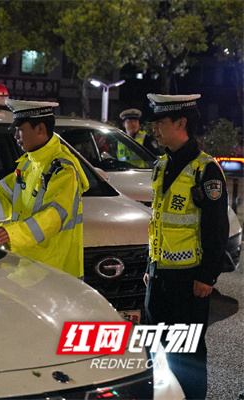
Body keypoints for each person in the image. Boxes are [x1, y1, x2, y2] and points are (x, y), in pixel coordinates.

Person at [143, 93, 229, 400]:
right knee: (156, 351)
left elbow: (217, 227)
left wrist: (207, 275)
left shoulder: (206, 169)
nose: (154, 129)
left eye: (160, 122)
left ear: (181, 123)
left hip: (189, 279)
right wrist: (151, 265)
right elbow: (158, 221)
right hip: (158, 276)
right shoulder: (161, 165)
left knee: (187, 356)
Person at [0, 100, 89, 278]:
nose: (16, 136)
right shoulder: (29, 164)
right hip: (31, 265)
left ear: (40, 129)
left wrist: (13, 234)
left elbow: (54, 215)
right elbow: (3, 199)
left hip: (55, 270)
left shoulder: (63, 170)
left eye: (20, 129)